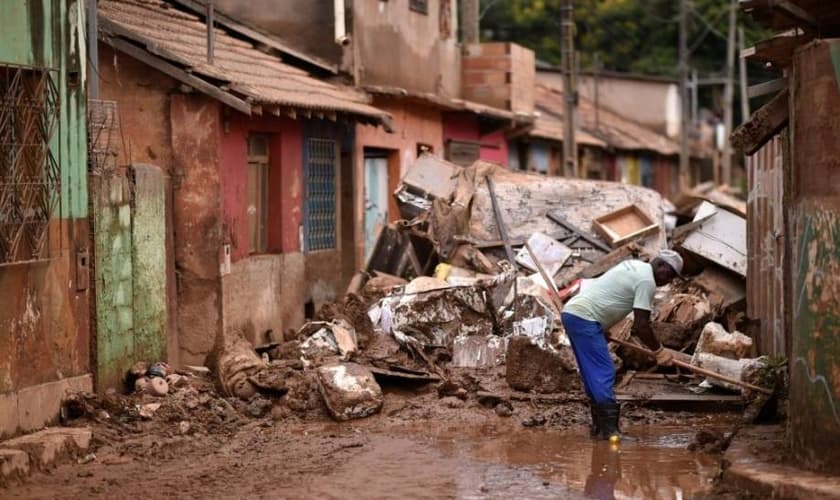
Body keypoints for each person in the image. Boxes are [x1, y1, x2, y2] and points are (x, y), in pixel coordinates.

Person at [561, 249, 684, 440]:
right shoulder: (647, 281)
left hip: (574, 313)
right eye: (669, 275)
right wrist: (659, 351)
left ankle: (599, 429)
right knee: (604, 372)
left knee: (591, 374)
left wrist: (603, 326)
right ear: (660, 265)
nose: (668, 281)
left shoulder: (634, 265)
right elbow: (641, 325)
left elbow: (610, 293)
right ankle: (611, 433)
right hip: (585, 318)